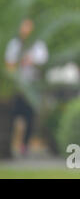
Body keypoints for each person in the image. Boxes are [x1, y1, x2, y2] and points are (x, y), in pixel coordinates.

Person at [4, 18, 48, 156]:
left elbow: (43, 63)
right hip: (16, 88)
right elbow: (9, 65)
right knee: (11, 116)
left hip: (32, 89)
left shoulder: (38, 46)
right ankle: (8, 145)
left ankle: (25, 146)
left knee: (29, 118)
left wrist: (31, 61)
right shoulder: (14, 45)